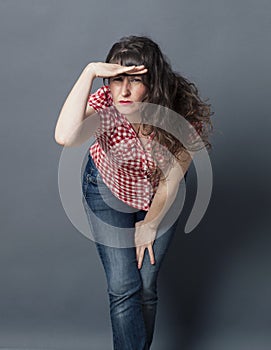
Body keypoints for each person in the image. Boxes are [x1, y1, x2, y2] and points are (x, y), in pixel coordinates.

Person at [55, 35, 212, 350]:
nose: (123, 91)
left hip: (159, 196)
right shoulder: (106, 102)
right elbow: (65, 136)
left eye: (135, 81)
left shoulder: (181, 112)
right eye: (116, 80)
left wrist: (150, 222)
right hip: (107, 191)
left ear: (153, 84)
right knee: (123, 286)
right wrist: (88, 72)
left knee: (146, 286)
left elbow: (172, 177)